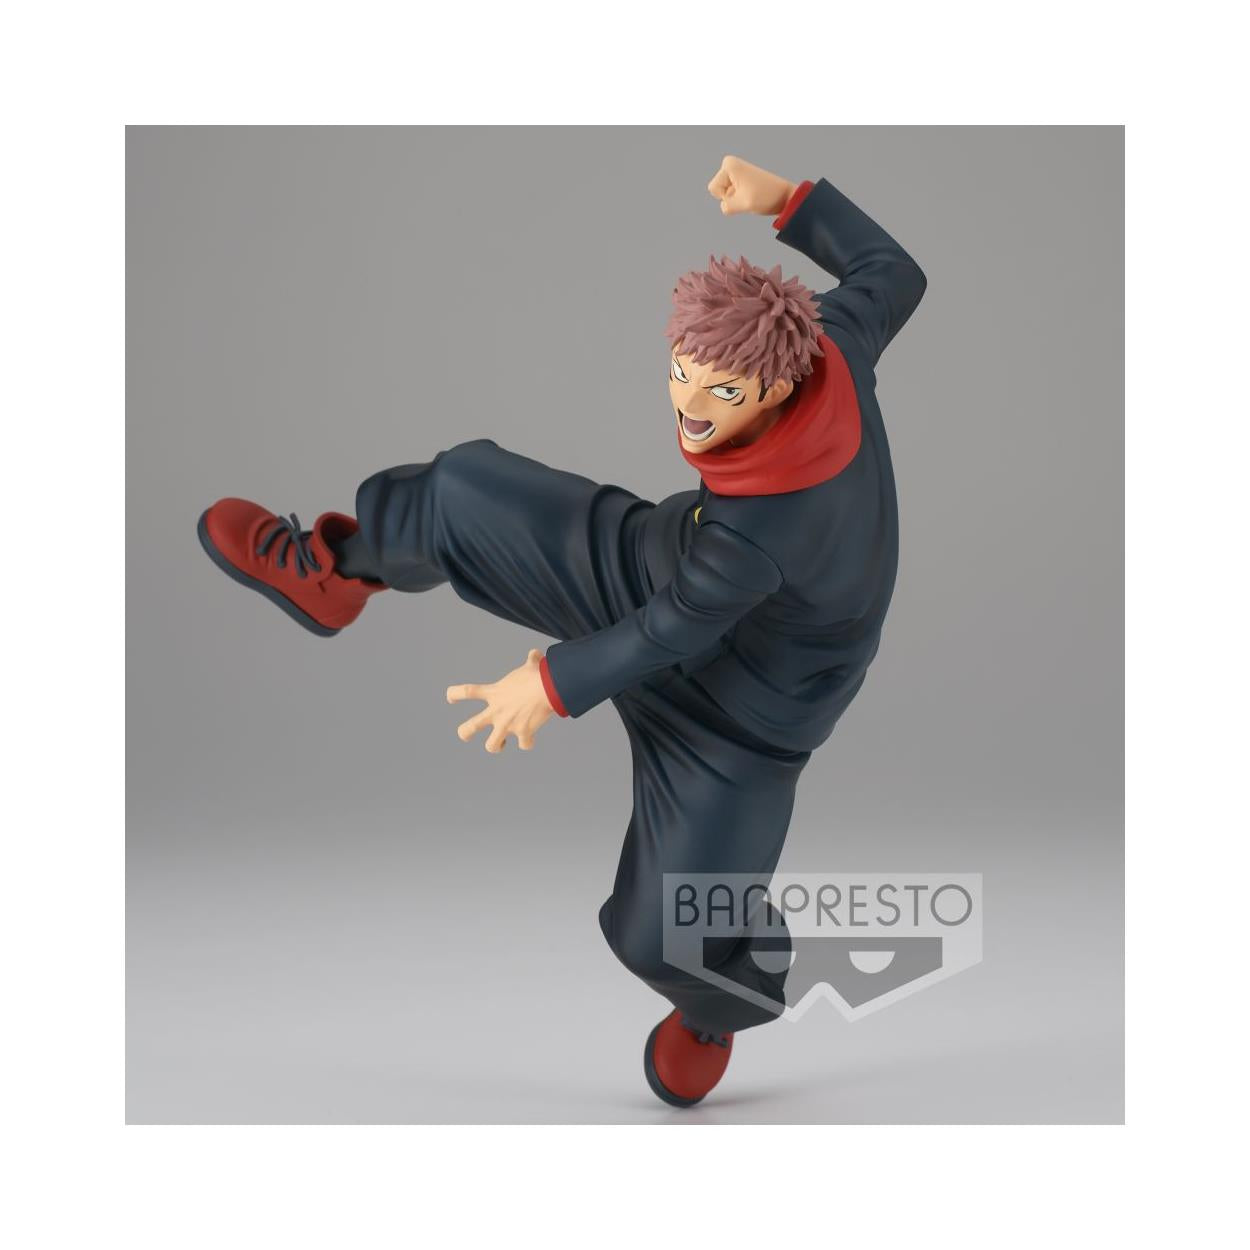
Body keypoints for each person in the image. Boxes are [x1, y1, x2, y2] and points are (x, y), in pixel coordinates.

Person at [197, 154, 927, 1107]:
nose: (689, 407)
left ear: (781, 389)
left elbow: (669, 632)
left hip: (740, 725)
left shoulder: (767, 531)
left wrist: (545, 685)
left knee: (662, 938)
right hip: (664, 564)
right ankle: (336, 572)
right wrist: (789, 201)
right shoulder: (835, 336)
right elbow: (895, 271)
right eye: (683, 374)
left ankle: (718, 1004)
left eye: (723, 396)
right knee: (463, 490)